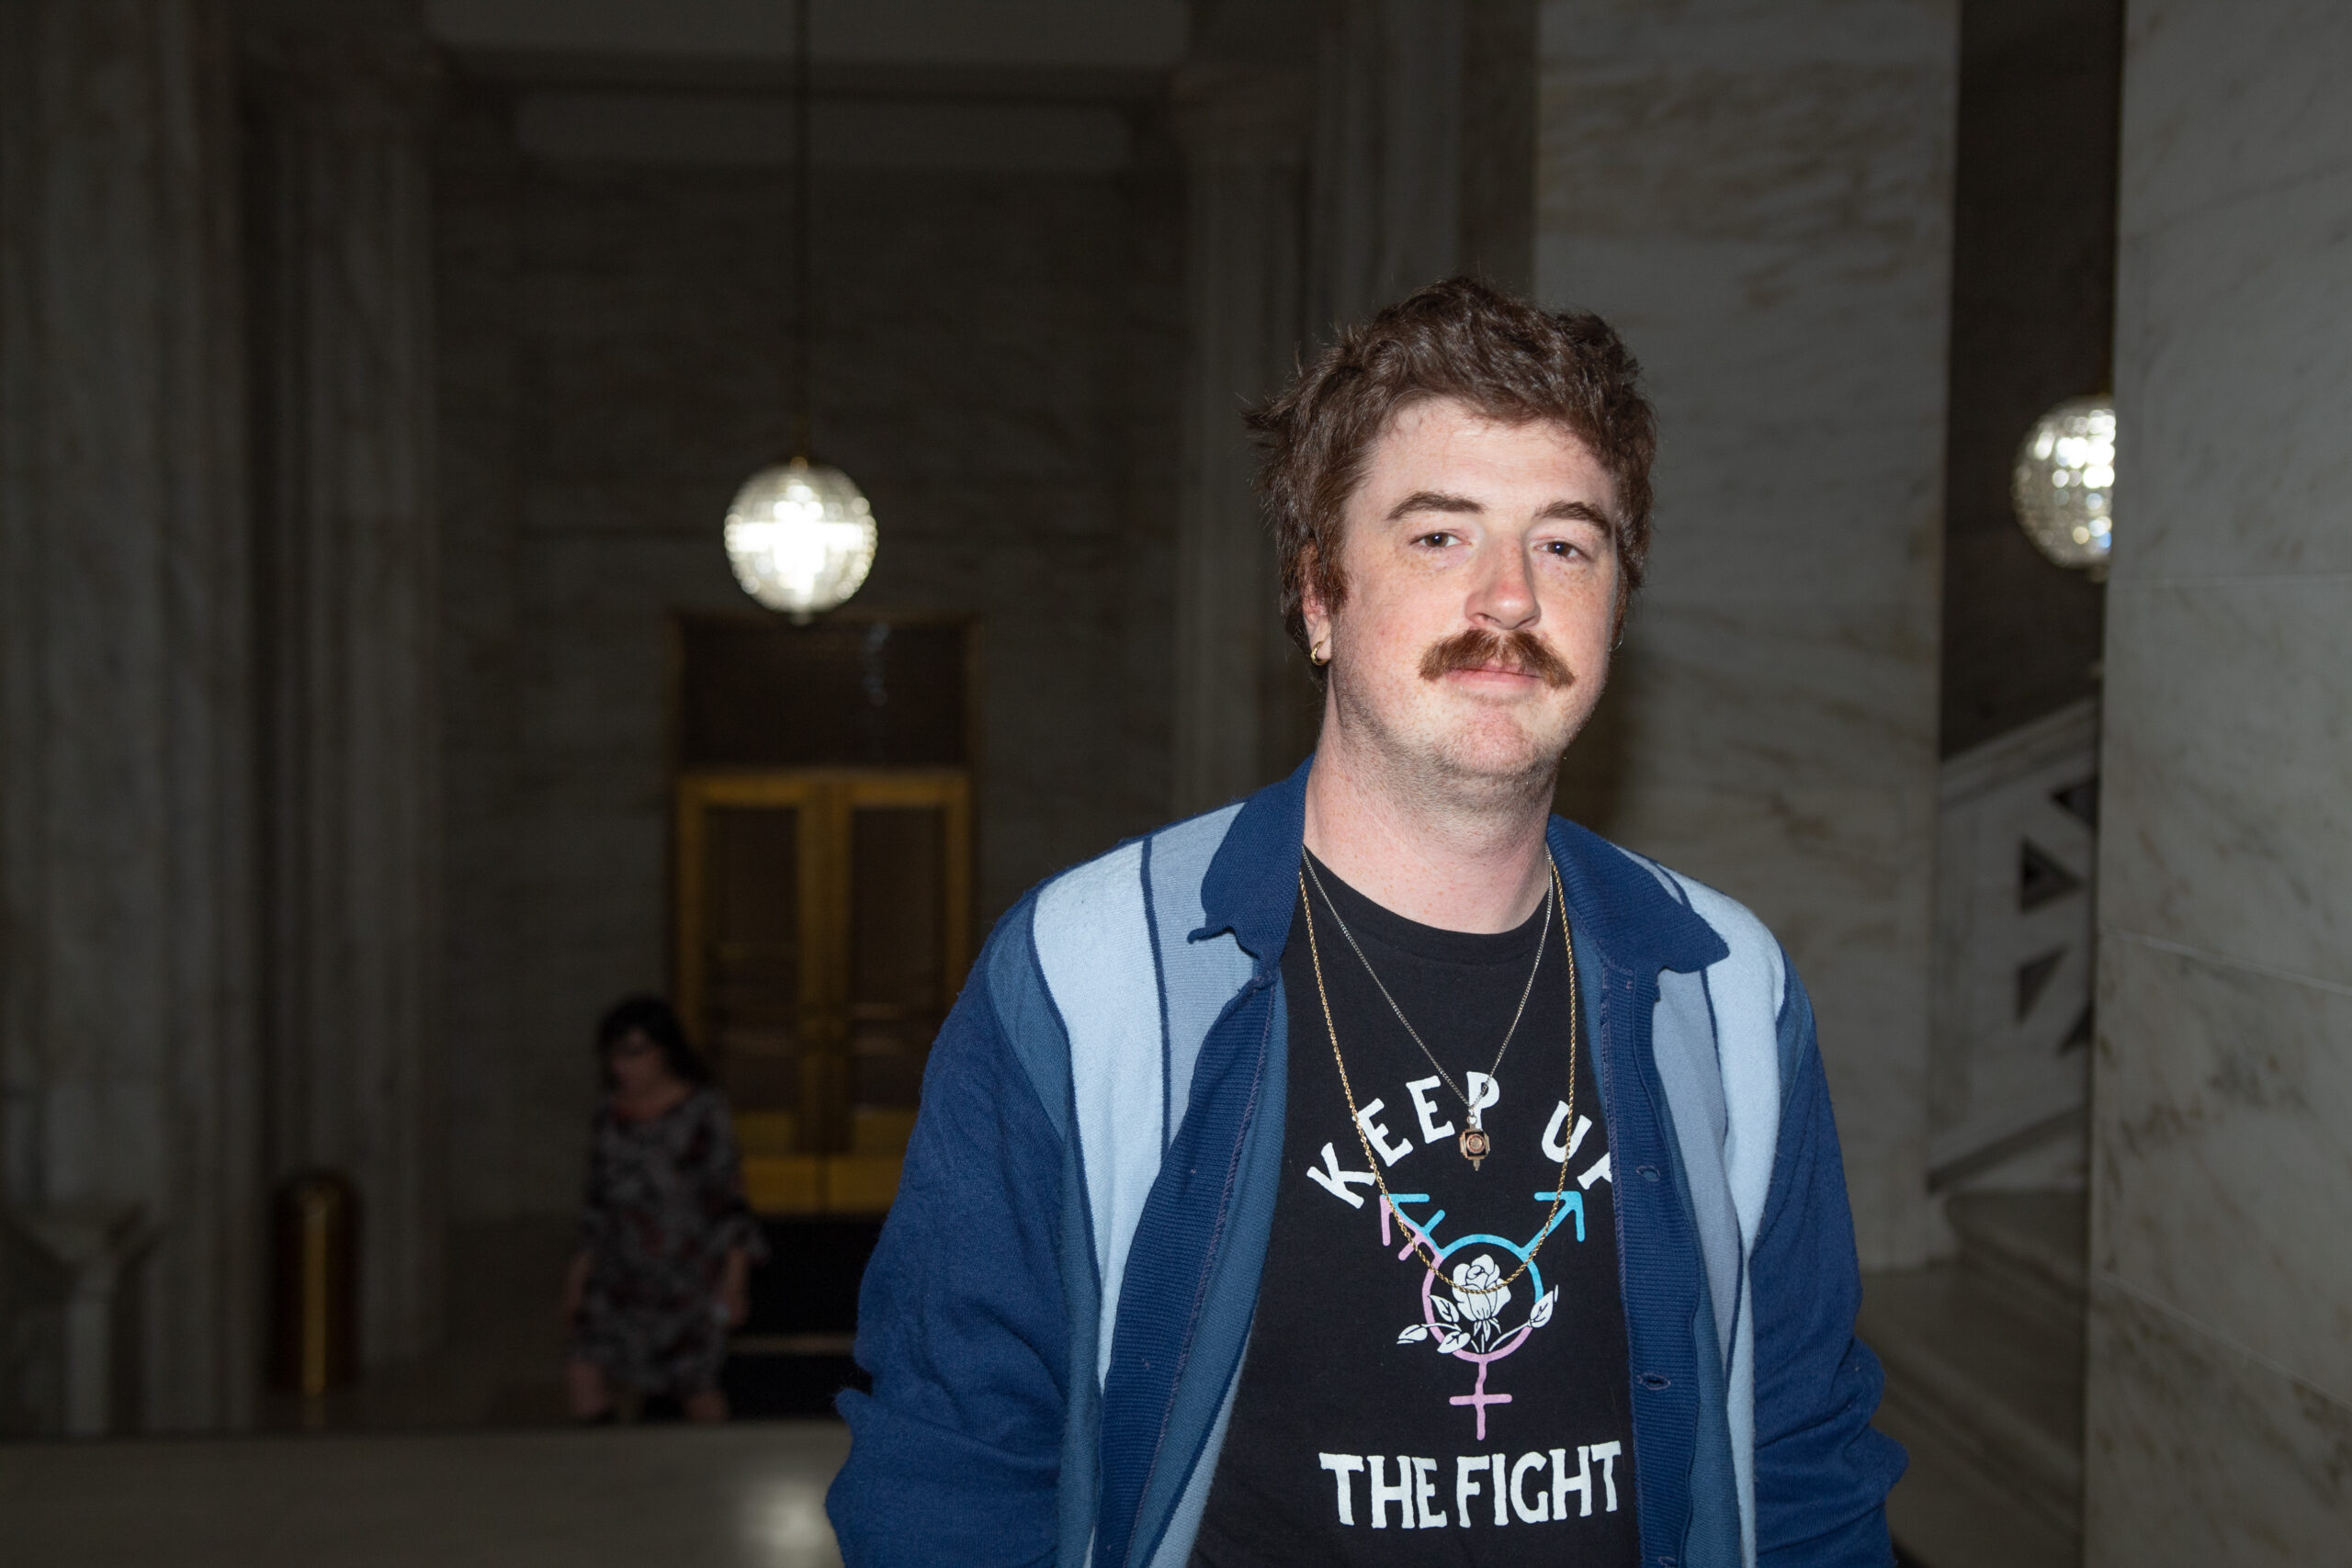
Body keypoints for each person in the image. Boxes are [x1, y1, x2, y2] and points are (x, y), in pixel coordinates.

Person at [827, 278, 1903, 1565]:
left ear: (1617, 605)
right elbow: (950, 1467)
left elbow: (1800, 1452)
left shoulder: (1727, 990)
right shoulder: (1089, 972)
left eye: (1568, 543)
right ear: (1320, 596)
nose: (1510, 597)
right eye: (1439, 536)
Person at [563, 995, 764, 1424]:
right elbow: (597, 1199)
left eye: (635, 1053)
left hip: (686, 1279)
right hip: (618, 1274)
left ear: (664, 1050)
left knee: (695, 1388)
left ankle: (711, 1475)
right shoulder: (610, 1111)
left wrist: (734, 1281)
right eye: (614, 1054)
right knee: (583, 1370)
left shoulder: (701, 1111)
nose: (622, 1067)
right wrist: (578, 1274)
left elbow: (729, 1201)